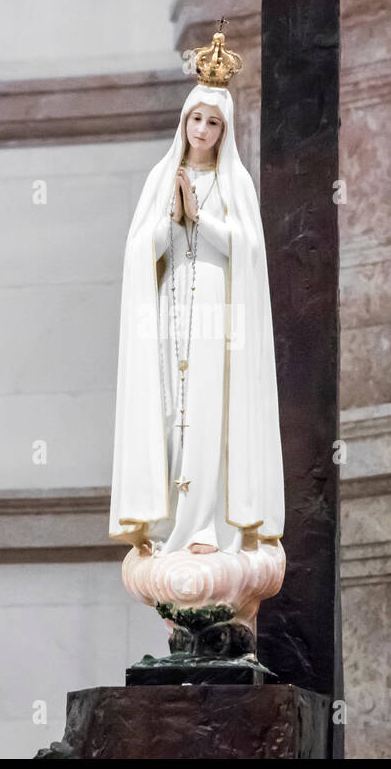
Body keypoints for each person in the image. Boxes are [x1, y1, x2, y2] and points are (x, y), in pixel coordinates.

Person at [108, 30, 284, 557]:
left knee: (208, 410)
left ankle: (205, 524)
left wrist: (199, 216)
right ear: (183, 121)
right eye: (195, 119)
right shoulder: (162, 177)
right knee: (169, 410)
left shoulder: (236, 182)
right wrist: (172, 215)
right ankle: (169, 523)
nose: (202, 129)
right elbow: (141, 250)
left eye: (213, 121)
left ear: (224, 129)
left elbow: (247, 250)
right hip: (170, 311)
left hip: (214, 308)